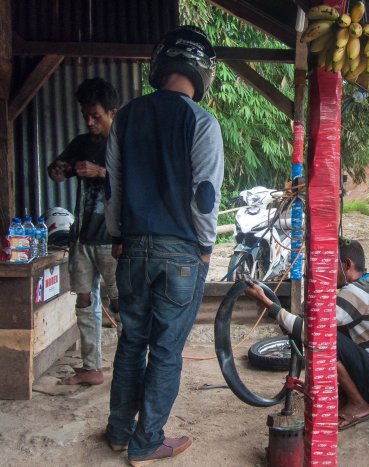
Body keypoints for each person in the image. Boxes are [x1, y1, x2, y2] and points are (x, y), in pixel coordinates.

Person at [104, 26, 223, 465]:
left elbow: (113, 189)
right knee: (167, 349)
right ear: (203, 72)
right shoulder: (202, 122)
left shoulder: (127, 117)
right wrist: (206, 248)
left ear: (160, 65)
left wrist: (118, 236)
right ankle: (147, 440)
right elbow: (205, 195)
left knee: (132, 342)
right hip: (181, 254)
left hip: (132, 247)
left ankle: (119, 431)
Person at [244, 239, 369, 431]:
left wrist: (266, 302)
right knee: (330, 331)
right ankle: (351, 393)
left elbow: (312, 332)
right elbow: (322, 318)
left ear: (346, 265)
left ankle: (359, 403)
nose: (326, 273)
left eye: (331, 266)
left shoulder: (355, 294)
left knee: (323, 339)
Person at [47, 77, 120, 386]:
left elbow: (135, 182)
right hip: (82, 239)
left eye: (96, 116)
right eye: (86, 116)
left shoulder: (122, 143)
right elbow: (56, 172)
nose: (90, 122)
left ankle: (131, 368)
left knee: (122, 304)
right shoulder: (80, 143)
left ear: (112, 112)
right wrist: (58, 170)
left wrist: (101, 172)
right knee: (85, 303)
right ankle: (92, 367)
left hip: (113, 240)